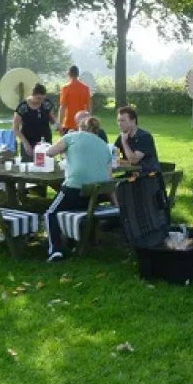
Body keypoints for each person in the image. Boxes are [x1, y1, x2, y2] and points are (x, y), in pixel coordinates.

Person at [42, 118, 113, 262]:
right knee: (70, 207)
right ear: (96, 130)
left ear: (79, 127)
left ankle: (54, 250)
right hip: (95, 194)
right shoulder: (105, 146)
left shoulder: (71, 137)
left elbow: (49, 153)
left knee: (50, 213)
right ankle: (74, 240)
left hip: (74, 188)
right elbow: (109, 176)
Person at [13, 83, 57, 159]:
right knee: (28, 166)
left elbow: (52, 120)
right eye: (38, 98)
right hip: (28, 141)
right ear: (32, 95)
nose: (41, 101)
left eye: (43, 98)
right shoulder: (23, 106)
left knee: (46, 166)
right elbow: (15, 129)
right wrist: (25, 144)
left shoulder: (46, 103)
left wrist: (57, 126)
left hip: (45, 142)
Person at [115, 106, 159, 173]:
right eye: (118, 121)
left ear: (133, 121)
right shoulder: (121, 137)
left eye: (123, 120)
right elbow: (112, 157)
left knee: (116, 183)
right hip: (132, 175)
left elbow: (133, 160)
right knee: (111, 182)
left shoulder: (145, 137)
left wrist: (124, 142)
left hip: (147, 176)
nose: (119, 124)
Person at [57, 65, 91, 135]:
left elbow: (62, 107)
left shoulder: (65, 88)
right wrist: (89, 120)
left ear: (69, 74)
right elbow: (89, 106)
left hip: (68, 123)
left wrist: (59, 123)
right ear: (78, 74)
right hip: (82, 122)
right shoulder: (85, 88)